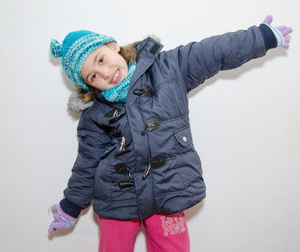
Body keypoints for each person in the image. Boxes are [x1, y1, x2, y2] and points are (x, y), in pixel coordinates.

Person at [48, 15, 293, 252]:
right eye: (93, 76)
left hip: (168, 192)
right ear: (89, 86)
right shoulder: (95, 114)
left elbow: (212, 52)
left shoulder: (167, 68)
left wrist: (260, 37)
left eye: (101, 60)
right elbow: (87, 163)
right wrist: (71, 204)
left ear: (113, 47)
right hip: (116, 199)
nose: (104, 73)